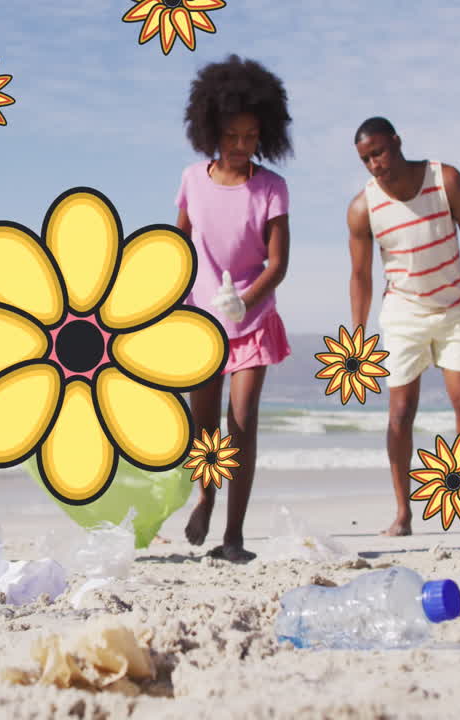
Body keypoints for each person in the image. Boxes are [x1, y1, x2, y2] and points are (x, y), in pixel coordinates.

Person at [345, 117, 460, 536]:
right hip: (403, 314)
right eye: (366, 159)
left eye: (379, 153)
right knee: (400, 415)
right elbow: (361, 276)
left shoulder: (446, 180)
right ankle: (403, 514)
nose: (375, 165)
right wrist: (358, 332)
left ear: (397, 142)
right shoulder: (362, 208)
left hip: (454, 307)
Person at [175, 54, 293, 562]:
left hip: (252, 318)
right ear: (211, 132)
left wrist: (245, 301)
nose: (242, 146)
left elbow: (278, 263)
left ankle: (235, 537)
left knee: (240, 422)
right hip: (201, 321)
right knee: (203, 427)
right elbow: (174, 248)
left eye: (251, 136)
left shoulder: (271, 188)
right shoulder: (191, 180)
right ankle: (205, 495)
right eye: (232, 137)